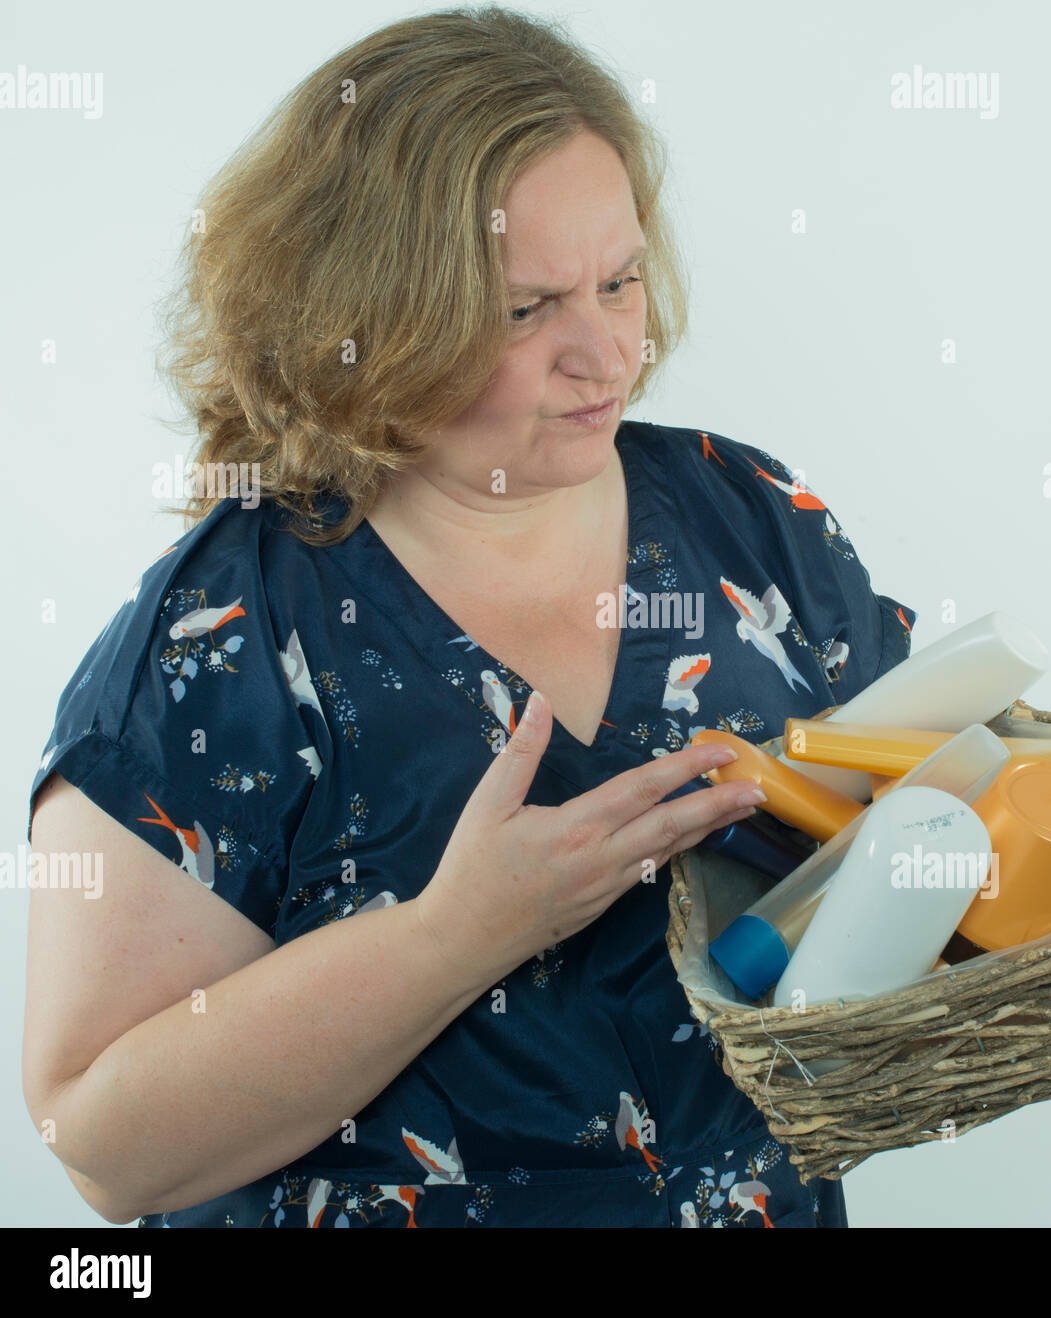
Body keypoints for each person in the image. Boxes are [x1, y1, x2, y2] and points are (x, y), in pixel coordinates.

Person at [23, 6, 915, 1228]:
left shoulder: (748, 517)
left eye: (619, 280)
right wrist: (455, 937)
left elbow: (905, 823)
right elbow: (104, 1147)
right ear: (372, 320)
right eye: (524, 310)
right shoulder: (225, 636)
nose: (602, 355)